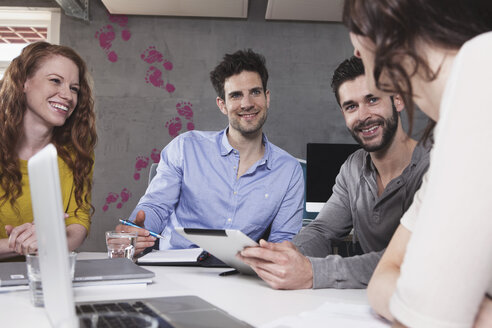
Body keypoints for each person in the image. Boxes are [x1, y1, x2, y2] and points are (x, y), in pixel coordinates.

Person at [342, 0, 492, 327]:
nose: (356, 54)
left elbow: (428, 317)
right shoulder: (446, 144)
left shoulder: (483, 63)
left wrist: (439, 304)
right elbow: (386, 277)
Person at [238, 56, 430, 290]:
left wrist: (313, 272)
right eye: (351, 106)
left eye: (372, 100)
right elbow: (322, 230)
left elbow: (413, 259)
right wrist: (289, 254)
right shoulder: (353, 167)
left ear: (397, 100)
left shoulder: (434, 168)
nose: (363, 115)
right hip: (373, 303)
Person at [117, 49, 304, 254]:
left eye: (255, 92)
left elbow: (283, 242)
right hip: (176, 269)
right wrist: (139, 230)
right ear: (222, 105)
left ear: (267, 98)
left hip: (240, 276)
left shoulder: (289, 171)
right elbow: (156, 207)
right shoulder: (185, 148)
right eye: (236, 95)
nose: (247, 103)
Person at [0, 42, 97, 259]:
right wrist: (22, 242)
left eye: (74, 88)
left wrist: (51, 238)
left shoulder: (76, 152)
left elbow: (78, 221)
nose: (67, 95)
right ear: (23, 81)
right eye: (55, 81)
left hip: (50, 273)